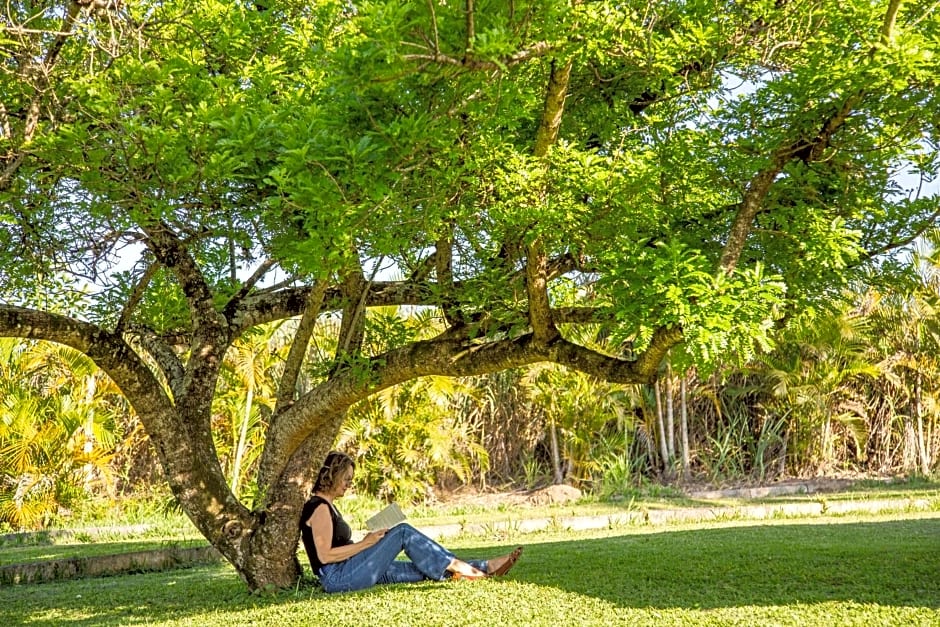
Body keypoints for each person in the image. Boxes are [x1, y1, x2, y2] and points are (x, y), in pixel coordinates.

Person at [299, 451, 523, 593]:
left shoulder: (328, 505)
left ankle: (485, 567)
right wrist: (367, 543)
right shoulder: (319, 507)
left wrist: (373, 541)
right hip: (338, 578)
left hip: (353, 569)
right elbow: (325, 556)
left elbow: (337, 548)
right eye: (346, 479)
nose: (349, 484)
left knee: (421, 567)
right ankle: (471, 570)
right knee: (403, 532)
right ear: (333, 475)